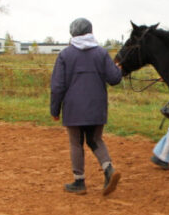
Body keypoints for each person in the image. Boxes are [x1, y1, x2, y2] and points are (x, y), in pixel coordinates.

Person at [50, 17, 122, 195]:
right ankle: (108, 169)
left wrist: (55, 109)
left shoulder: (65, 55)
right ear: (90, 31)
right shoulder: (101, 53)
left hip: (73, 108)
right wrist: (117, 69)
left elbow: (57, 86)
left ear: (72, 32)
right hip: (97, 106)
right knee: (95, 139)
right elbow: (114, 79)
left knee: (76, 142)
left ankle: (79, 182)